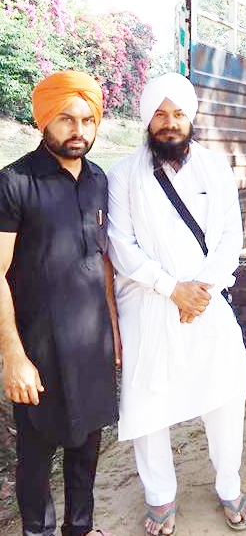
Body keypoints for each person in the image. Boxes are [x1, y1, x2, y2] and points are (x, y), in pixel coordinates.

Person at [106, 72, 246, 535]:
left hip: (206, 299)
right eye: (159, 114)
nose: (169, 123)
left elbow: (231, 237)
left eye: (177, 114)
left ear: (190, 118)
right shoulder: (123, 174)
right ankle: (160, 497)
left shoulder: (216, 168)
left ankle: (229, 485)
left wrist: (201, 290)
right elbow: (121, 245)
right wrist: (171, 289)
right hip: (147, 300)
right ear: (146, 120)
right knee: (147, 402)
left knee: (226, 391)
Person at [0, 71, 121, 536]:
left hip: (91, 345)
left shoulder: (98, 180)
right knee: (35, 456)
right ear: (45, 120)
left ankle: (81, 528)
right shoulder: (14, 183)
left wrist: (113, 332)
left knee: (86, 447)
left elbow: (102, 262)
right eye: (67, 119)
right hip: (38, 348)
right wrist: (14, 357)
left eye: (88, 120)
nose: (79, 130)